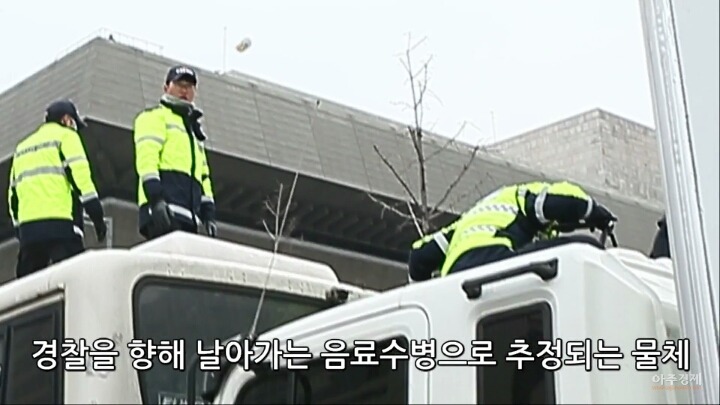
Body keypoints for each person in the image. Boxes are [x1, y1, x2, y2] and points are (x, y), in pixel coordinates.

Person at [408, 181, 616, 282]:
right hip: (496, 257)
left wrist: (429, 295)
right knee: (582, 248)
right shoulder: (522, 196)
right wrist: (594, 212)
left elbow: (419, 256)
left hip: (455, 278)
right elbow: (560, 203)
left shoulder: (465, 222)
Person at [7, 99, 107, 278]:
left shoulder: (22, 148)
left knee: (29, 287)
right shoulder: (67, 137)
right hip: (60, 226)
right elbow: (81, 180)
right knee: (75, 279)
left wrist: (19, 229)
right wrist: (97, 217)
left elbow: (12, 197)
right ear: (67, 120)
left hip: (29, 232)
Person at [133, 65, 217, 240]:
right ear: (166, 87)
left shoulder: (193, 132)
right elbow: (147, 161)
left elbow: (203, 175)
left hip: (189, 217)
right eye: (179, 84)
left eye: (189, 86)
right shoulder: (154, 117)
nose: (184, 90)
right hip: (162, 210)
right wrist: (156, 200)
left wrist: (208, 213)